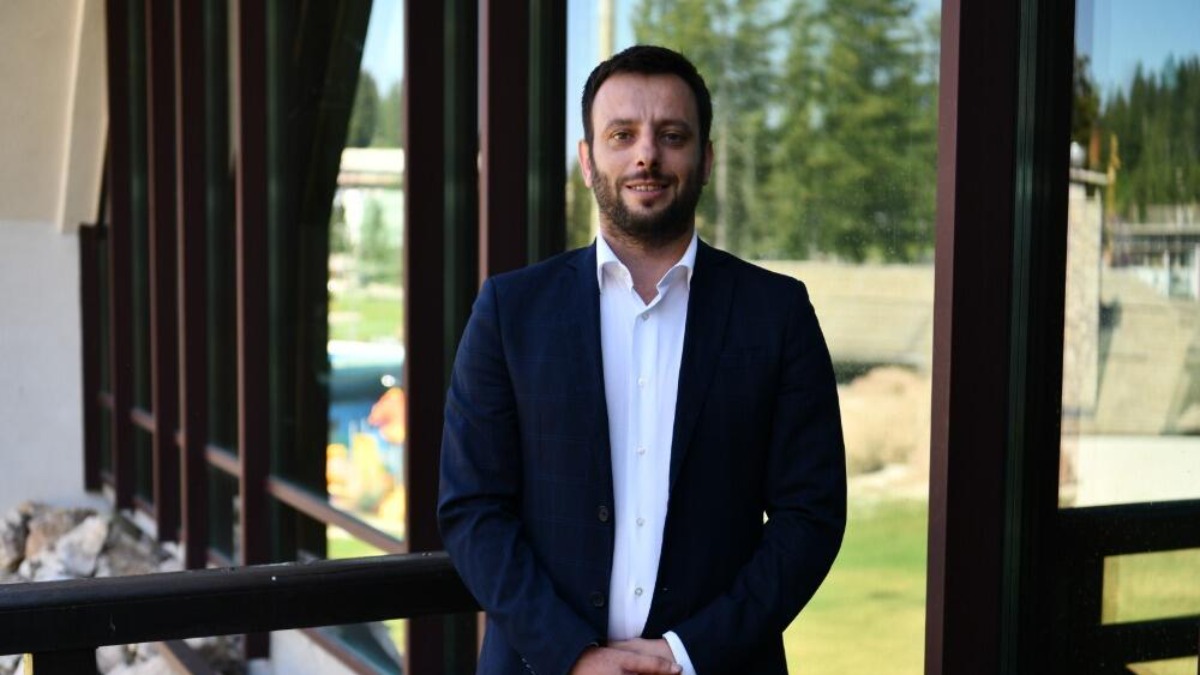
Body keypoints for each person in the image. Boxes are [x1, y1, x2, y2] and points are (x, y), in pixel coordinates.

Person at [439, 45, 846, 675]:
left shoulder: (777, 314)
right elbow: (473, 509)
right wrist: (573, 656)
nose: (646, 155)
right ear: (587, 160)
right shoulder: (509, 311)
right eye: (622, 134)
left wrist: (689, 653)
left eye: (672, 136)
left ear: (706, 159)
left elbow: (810, 515)